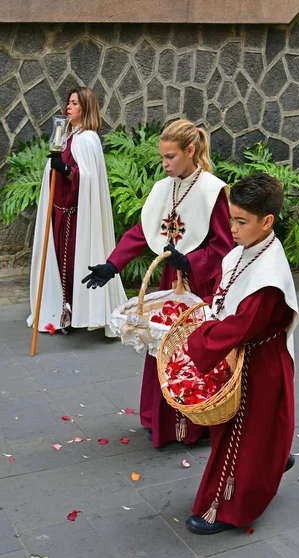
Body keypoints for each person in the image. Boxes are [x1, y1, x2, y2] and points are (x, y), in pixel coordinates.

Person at [82, 119, 233, 447]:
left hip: (201, 285)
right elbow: (144, 230)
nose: (164, 164)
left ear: (190, 151)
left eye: (170, 157)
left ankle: (196, 423)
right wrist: (112, 265)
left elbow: (224, 247)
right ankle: (160, 419)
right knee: (164, 349)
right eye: (162, 157)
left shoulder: (212, 191)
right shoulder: (165, 187)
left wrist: (190, 261)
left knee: (193, 354)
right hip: (171, 280)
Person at [185, 172, 299, 534]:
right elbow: (225, 296)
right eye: (231, 218)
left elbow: (242, 325)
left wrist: (196, 340)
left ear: (267, 221)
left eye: (241, 221)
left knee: (242, 436)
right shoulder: (246, 250)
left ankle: (227, 508)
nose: (231, 228)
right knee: (248, 432)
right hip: (245, 355)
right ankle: (273, 458)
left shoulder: (269, 274)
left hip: (259, 363)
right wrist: (202, 311)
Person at [28, 87, 126, 336]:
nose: (68, 107)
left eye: (74, 103)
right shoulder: (67, 134)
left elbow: (86, 177)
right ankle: (64, 309)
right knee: (61, 262)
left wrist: (64, 170)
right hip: (58, 210)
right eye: (68, 102)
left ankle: (73, 310)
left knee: (71, 264)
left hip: (75, 215)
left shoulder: (87, 139)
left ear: (85, 108)